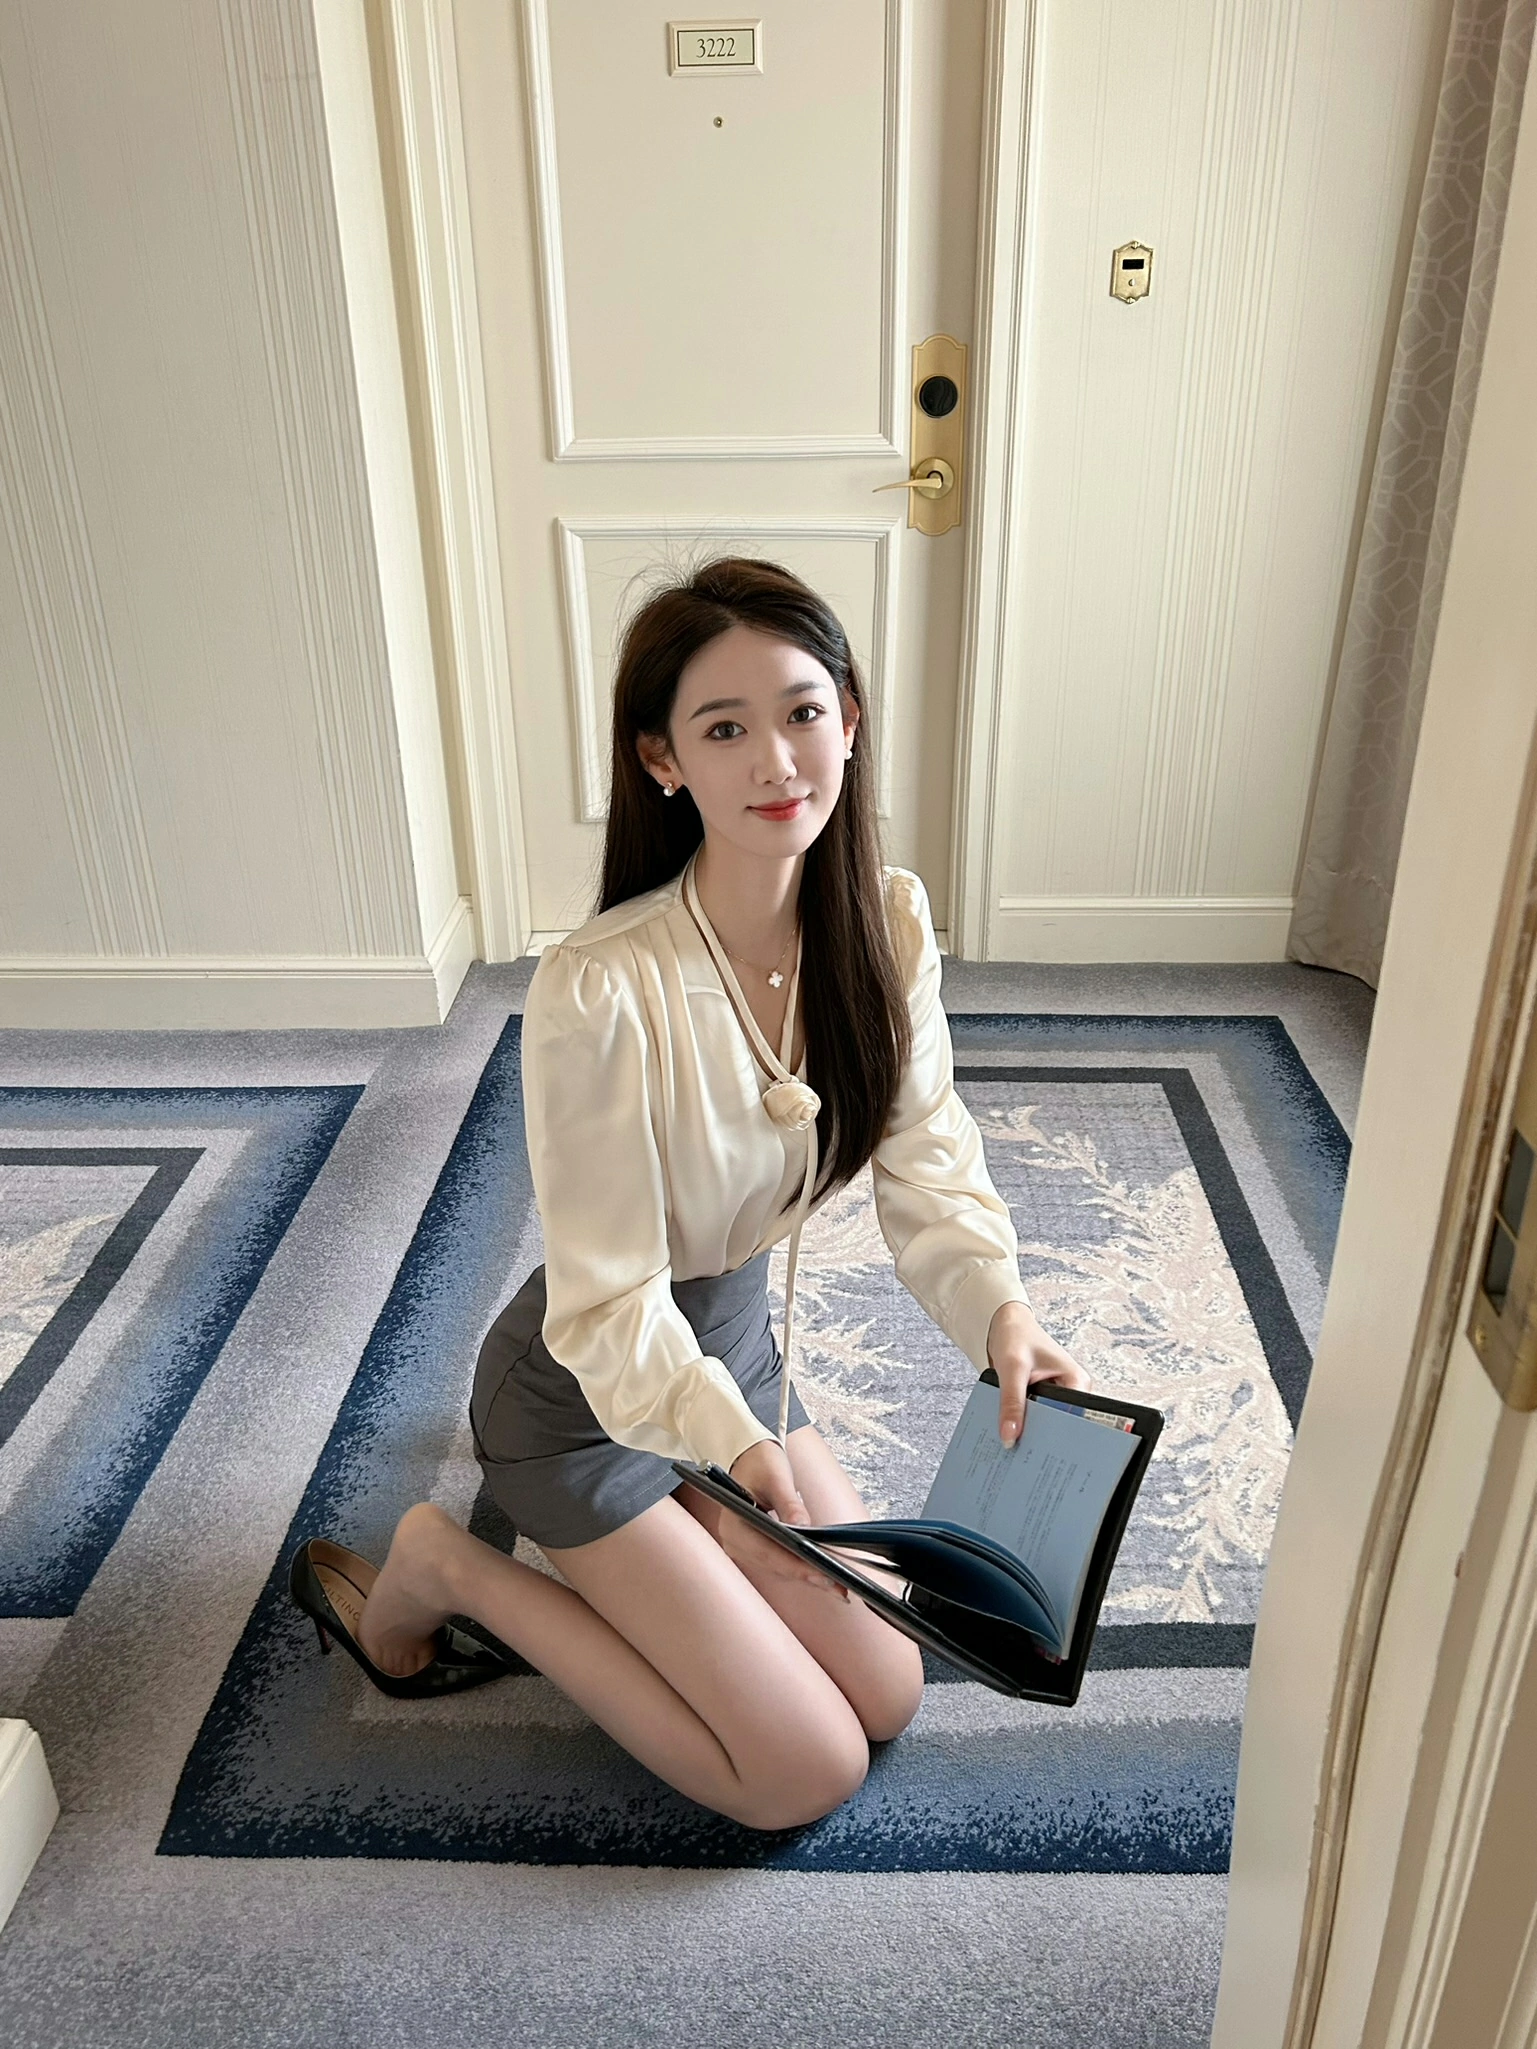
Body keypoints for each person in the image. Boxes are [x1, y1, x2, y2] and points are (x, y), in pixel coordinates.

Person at [290, 557, 1086, 1830]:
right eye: (724, 729)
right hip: (582, 1394)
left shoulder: (885, 924)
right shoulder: (602, 985)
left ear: (849, 720)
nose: (776, 760)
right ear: (662, 759)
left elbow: (927, 1153)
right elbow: (606, 1299)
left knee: (889, 1690)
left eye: (803, 711)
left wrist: (1000, 1311)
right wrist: (737, 1455)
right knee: (801, 1772)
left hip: (733, 1361)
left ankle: (697, 1541)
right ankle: (453, 1567)